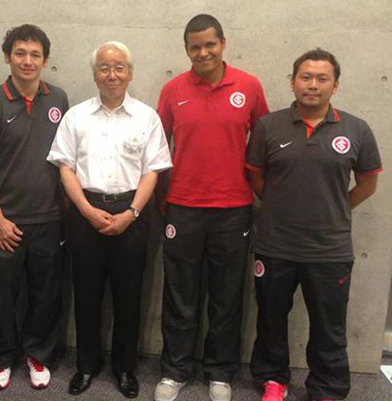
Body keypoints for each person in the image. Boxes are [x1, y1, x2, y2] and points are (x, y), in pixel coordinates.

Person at [246, 48, 381, 401]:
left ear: (335, 85)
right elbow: (256, 176)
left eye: (322, 79)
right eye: (305, 77)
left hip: (329, 249)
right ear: (292, 82)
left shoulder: (356, 129)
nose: (313, 85)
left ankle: (327, 388)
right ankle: (273, 380)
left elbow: (367, 183)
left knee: (329, 326)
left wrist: (334, 209)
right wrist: (281, 206)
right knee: (271, 319)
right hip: (275, 245)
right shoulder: (268, 126)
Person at [154, 14, 270, 401]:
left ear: (223, 43)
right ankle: (175, 370)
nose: (203, 52)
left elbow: (264, 143)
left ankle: (220, 372)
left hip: (234, 209)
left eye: (209, 44)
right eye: (195, 47)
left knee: (226, 295)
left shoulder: (249, 87)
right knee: (180, 296)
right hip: (182, 208)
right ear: (186, 50)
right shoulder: (172, 90)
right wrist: (161, 201)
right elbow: (157, 151)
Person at [47, 41, 172, 399]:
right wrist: (86, 210)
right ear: (95, 74)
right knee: (86, 294)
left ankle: (125, 367)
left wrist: (131, 214)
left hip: (133, 213)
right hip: (85, 212)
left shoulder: (147, 117)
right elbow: (65, 168)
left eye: (119, 67)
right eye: (104, 68)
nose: (112, 74)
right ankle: (86, 365)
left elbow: (152, 172)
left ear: (130, 73)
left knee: (129, 296)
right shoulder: (76, 117)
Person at [0, 24, 68, 391]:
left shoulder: (59, 100)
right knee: (0, 294)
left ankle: (38, 354)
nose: (28, 61)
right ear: (7, 57)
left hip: (49, 219)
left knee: (45, 294)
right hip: (4, 221)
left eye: (35, 54)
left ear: (45, 60)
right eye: (20, 53)